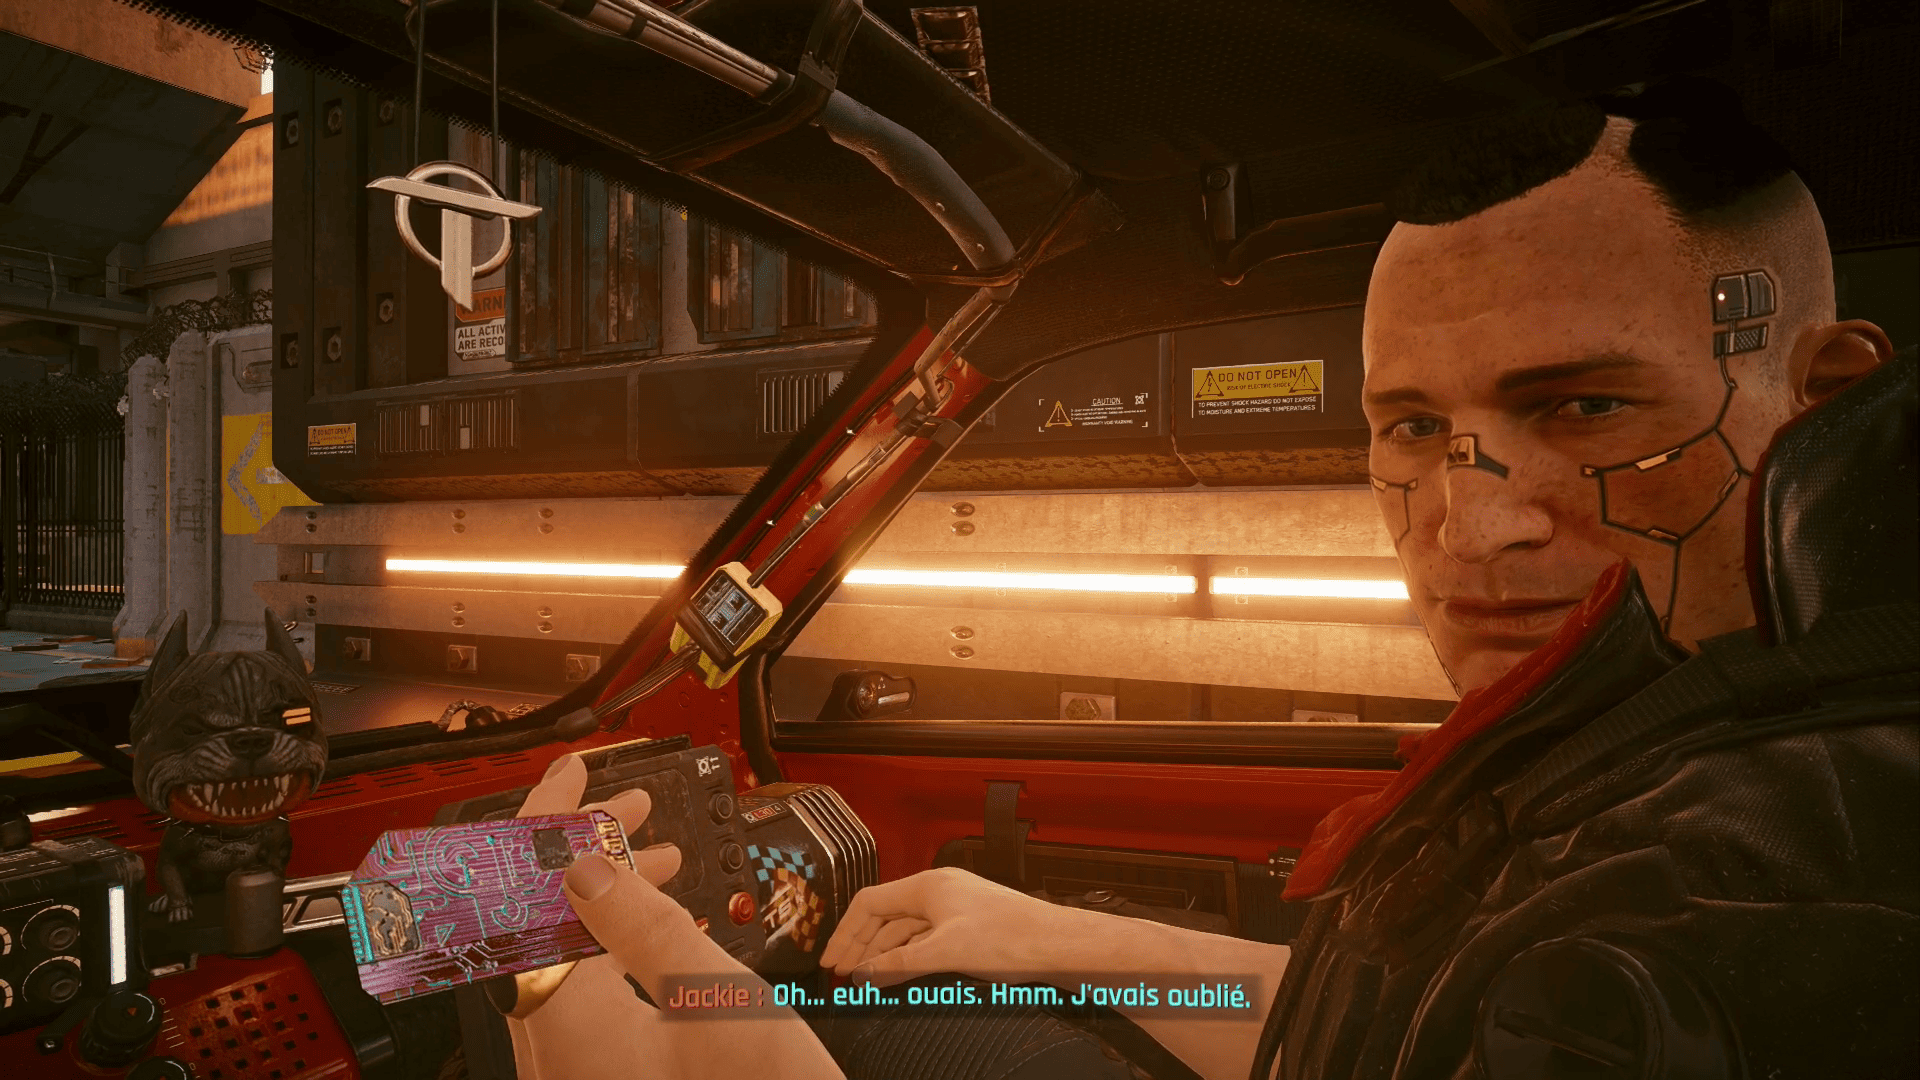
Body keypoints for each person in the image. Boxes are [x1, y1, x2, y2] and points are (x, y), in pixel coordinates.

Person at [506, 80, 1917, 1080]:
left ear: (1826, 402)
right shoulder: (1682, 746)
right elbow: (1376, 1040)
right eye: (1411, 427)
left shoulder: (1770, 908)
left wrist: (575, 998)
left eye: (1588, 408)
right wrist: (1049, 935)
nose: (1473, 525)